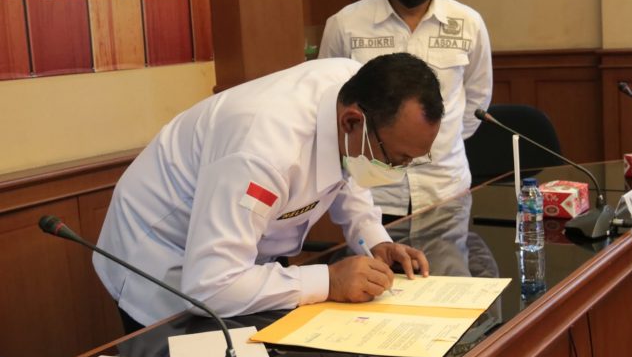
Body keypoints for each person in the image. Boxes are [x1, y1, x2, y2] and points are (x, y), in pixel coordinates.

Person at [93, 53, 442, 331]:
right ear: (351, 122)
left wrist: (373, 239)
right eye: (396, 159)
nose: (399, 170)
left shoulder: (356, 88)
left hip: (239, 247)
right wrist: (330, 279)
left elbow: (347, 167)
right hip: (160, 249)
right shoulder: (264, 151)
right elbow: (210, 286)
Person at [318, 0, 492, 222]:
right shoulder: (345, 24)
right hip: (372, 195)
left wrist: (436, 141)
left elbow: (477, 99)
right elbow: (329, 100)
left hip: (445, 189)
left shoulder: (468, 23)